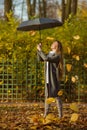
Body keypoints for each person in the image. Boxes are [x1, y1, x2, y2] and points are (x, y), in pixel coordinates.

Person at [37, 40, 63, 118]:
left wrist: (40, 50)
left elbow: (46, 58)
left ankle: (60, 115)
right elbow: (41, 59)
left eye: (55, 43)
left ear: (57, 46)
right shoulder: (49, 54)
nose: (53, 43)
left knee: (56, 96)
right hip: (48, 78)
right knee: (47, 96)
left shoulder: (57, 55)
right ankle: (45, 114)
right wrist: (38, 50)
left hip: (54, 79)